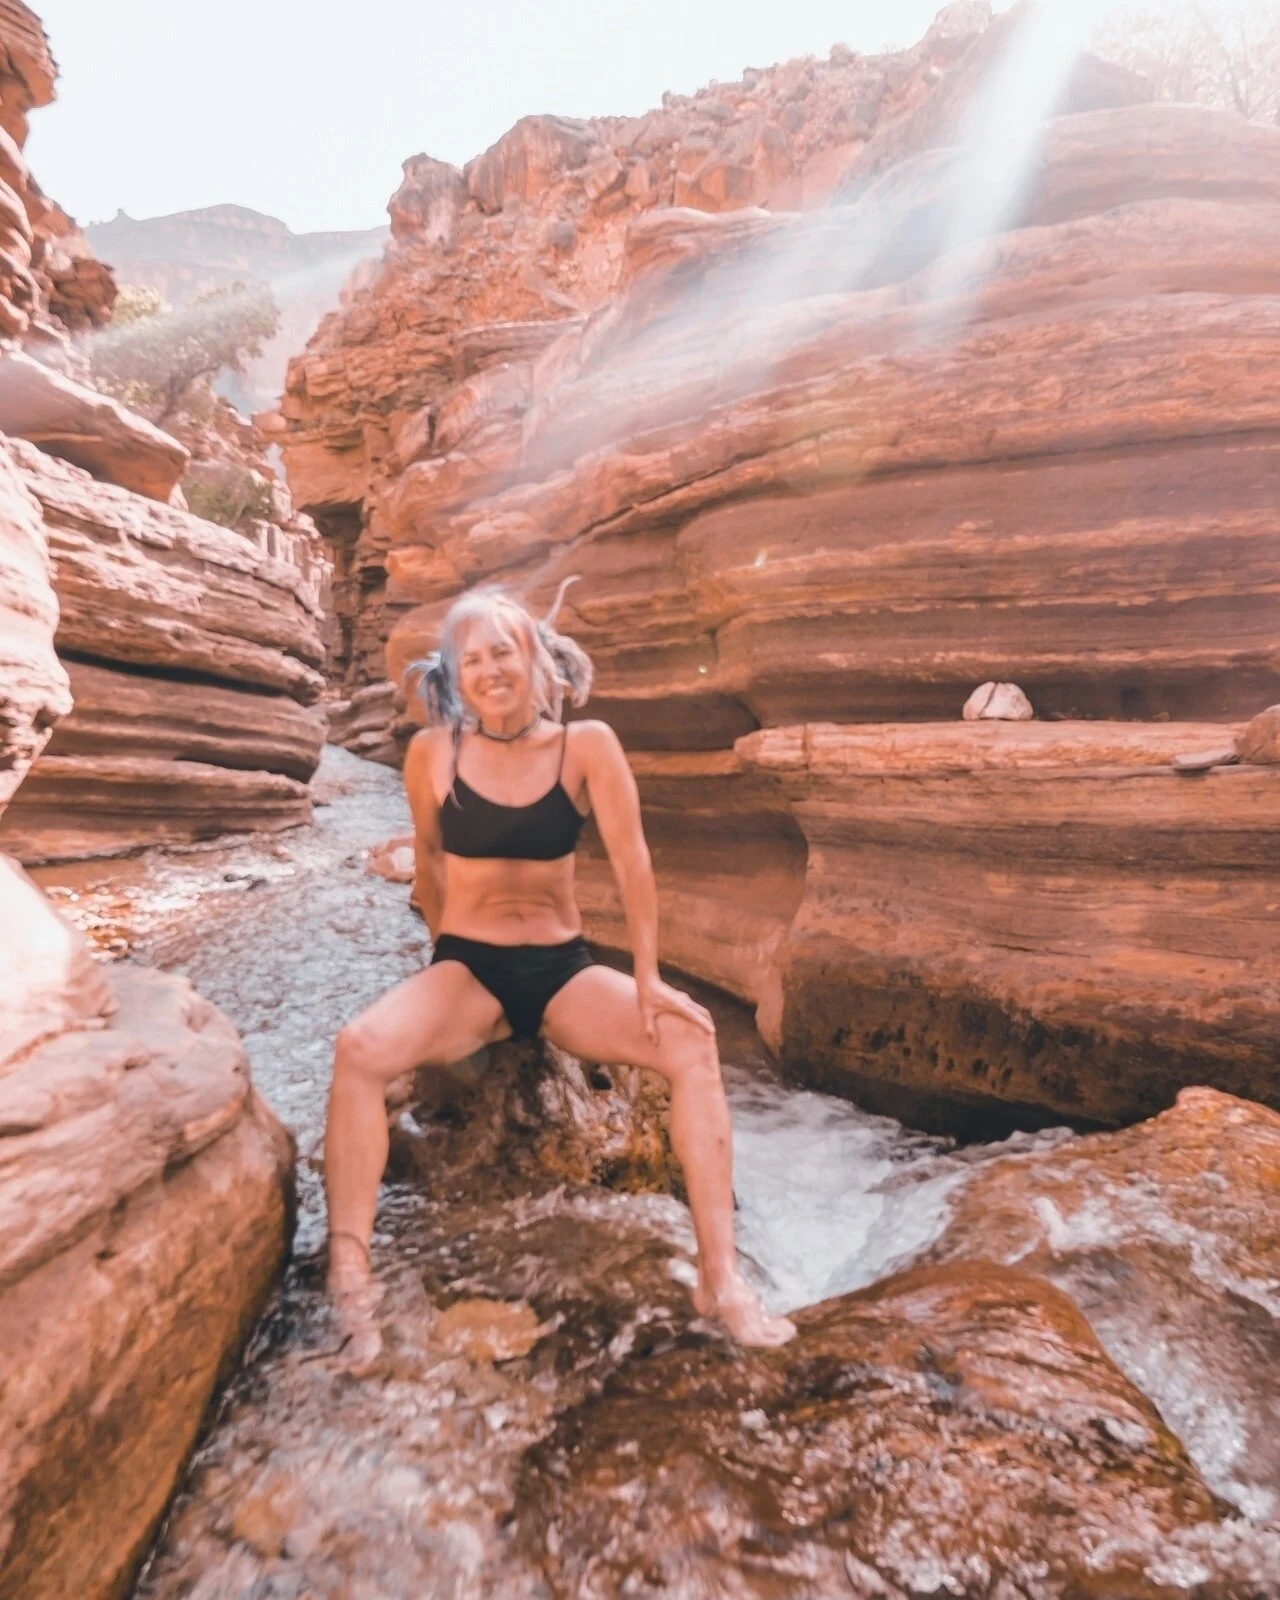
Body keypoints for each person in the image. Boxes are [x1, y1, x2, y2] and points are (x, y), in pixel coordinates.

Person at [324, 579, 795, 1354]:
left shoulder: (588, 746)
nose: (488, 669)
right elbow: (432, 869)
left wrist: (647, 976)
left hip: (563, 973)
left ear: (535, 657)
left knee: (691, 1042)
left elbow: (634, 860)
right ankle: (350, 1284)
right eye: (470, 660)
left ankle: (722, 1280)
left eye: (502, 651)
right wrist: (435, 974)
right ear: (455, 677)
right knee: (359, 1049)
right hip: (470, 969)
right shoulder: (431, 753)